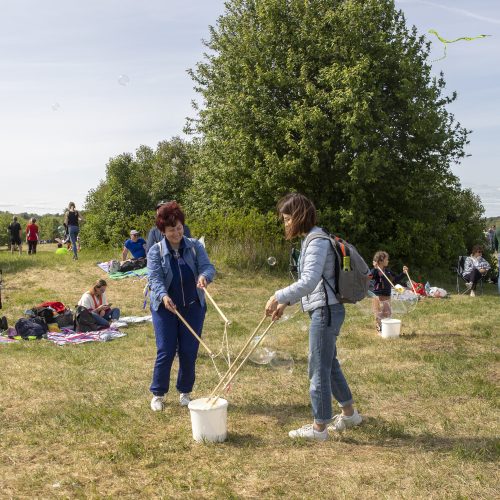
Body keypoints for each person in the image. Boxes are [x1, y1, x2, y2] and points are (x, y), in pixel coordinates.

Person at [265, 193, 361, 441]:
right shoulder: (313, 238)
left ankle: (320, 428)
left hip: (325, 312)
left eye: (287, 218)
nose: (285, 223)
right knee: (329, 364)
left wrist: (277, 296)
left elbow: (308, 281)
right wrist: (286, 303)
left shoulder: (316, 241)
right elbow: (313, 283)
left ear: (298, 217)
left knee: (318, 367)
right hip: (326, 310)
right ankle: (350, 414)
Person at [147, 201, 215, 411]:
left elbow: (208, 267)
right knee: (166, 350)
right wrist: (163, 295)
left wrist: (204, 276)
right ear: (162, 231)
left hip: (193, 306)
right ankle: (158, 394)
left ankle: (185, 392)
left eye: (179, 228)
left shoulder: (195, 246)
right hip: (165, 308)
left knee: (189, 350)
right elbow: (155, 279)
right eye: (171, 230)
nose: (177, 233)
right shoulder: (155, 251)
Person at [370, 251, 409, 333]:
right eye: (386, 259)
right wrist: (375, 268)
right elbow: (370, 276)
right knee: (378, 313)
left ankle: (386, 329)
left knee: (387, 312)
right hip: (378, 295)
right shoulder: (376, 271)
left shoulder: (388, 271)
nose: (388, 261)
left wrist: (403, 273)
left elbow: (395, 279)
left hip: (387, 295)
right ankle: (379, 329)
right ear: (380, 261)